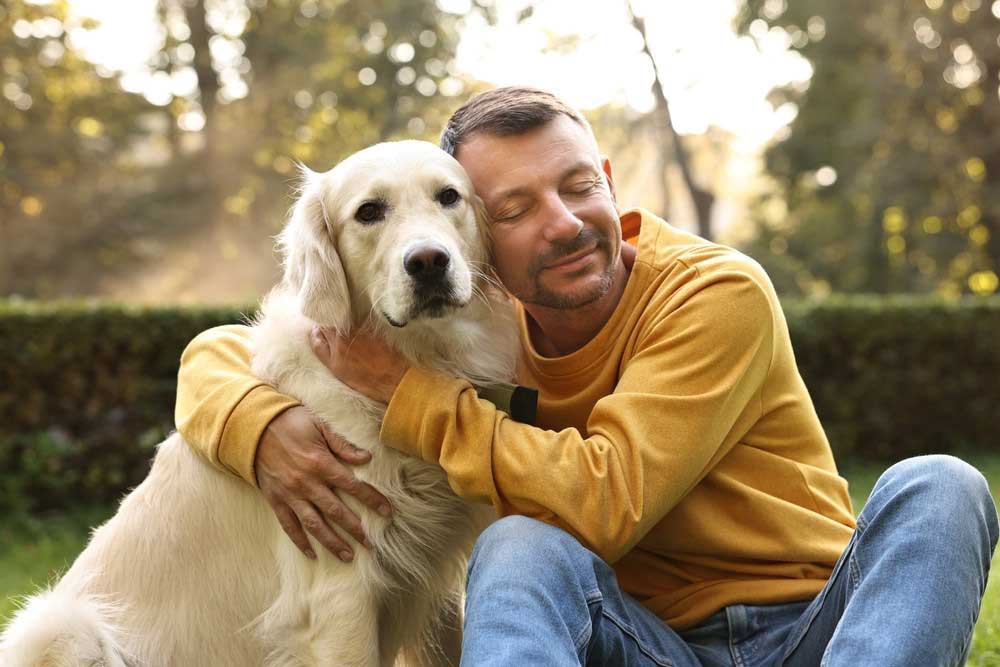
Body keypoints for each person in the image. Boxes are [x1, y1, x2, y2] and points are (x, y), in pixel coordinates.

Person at [174, 87, 998, 666]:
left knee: (943, 485)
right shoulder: (486, 332)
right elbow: (229, 347)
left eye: (577, 186)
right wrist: (258, 421)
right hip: (640, 643)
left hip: (821, 627)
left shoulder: (715, 294)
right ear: (481, 238)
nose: (563, 223)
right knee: (520, 545)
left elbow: (609, 501)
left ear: (608, 179)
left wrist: (405, 394)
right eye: (518, 208)